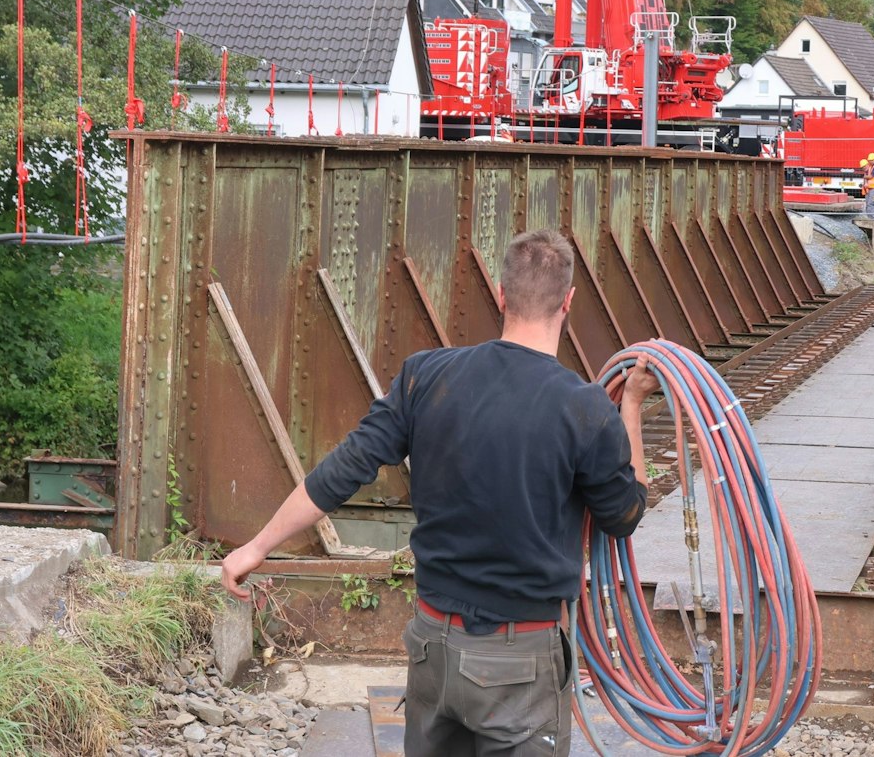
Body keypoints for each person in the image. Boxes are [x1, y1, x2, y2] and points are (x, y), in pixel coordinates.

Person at [220, 229, 655, 756]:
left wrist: (257, 546)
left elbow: (344, 469)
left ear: (501, 294)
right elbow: (625, 512)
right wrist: (629, 406)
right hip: (519, 662)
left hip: (432, 648)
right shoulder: (584, 407)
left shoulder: (425, 376)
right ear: (568, 302)